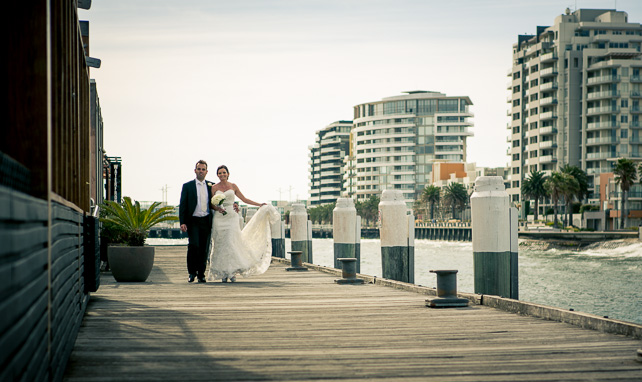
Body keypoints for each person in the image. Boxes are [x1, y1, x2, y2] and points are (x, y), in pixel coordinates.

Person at [207, 165, 280, 282]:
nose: (222, 175)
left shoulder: (233, 186)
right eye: (220, 173)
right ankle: (222, 273)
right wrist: (217, 208)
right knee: (220, 244)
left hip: (231, 217)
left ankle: (231, 272)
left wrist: (259, 204)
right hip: (219, 218)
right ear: (217, 175)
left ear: (228, 174)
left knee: (231, 243)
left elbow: (244, 199)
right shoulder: (214, 188)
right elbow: (210, 204)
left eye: (224, 173)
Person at [179, 160, 215, 283]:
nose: (201, 171)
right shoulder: (187, 186)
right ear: (195, 170)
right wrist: (182, 222)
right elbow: (183, 205)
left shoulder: (212, 186)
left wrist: (234, 206)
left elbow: (221, 200)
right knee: (194, 246)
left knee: (204, 248)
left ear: (206, 171)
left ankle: (201, 274)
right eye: (199, 169)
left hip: (206, 221)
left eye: (203, 169)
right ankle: (191, 273)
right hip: (193, 221)